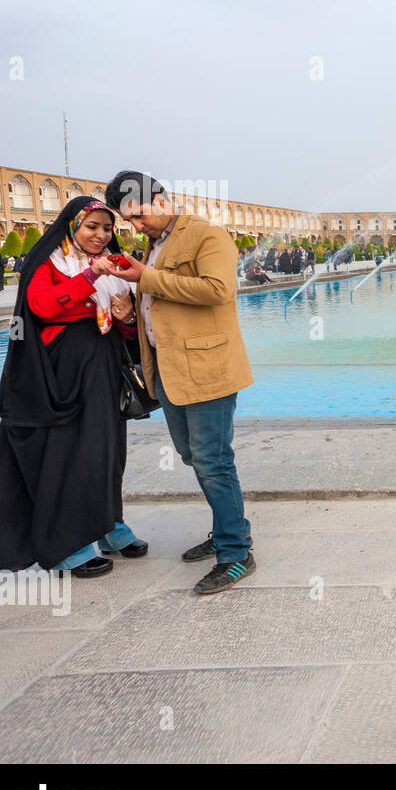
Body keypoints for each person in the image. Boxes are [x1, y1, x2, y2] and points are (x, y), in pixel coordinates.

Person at [0, 197, 145, 578]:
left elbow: (127, 327)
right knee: (68, 457)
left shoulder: (115, 267)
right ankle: (69, 546)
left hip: (104, 370)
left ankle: (109, 526)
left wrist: (127, 318)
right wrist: (90, 277)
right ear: (71, 227)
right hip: (59, 378)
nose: (100, 235)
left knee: (107, 452)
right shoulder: (47, 262)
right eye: (91, 227)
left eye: (107, 228)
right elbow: (43, 306)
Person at [104, 171, 256, 595]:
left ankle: (235, 552)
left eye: (139, 216)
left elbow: (218, 289)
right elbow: (161, 308)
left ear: (162, 198)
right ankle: (231, 526)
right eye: (129, 221)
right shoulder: (154, 247)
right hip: (169, 371)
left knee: (212, 460)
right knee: (194, 456)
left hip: (207, 369)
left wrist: (143, 279)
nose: (136, 227)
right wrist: (131, 315)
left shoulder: (206, 235)